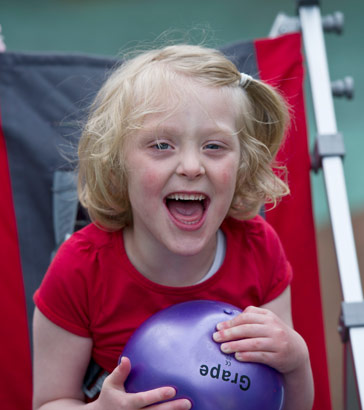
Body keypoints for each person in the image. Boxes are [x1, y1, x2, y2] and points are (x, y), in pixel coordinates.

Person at [32, 44, 314, 410]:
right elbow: (50, 402)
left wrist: (296, 363)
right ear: (118, 164)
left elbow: (290, 405)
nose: (192, 166)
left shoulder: (260, 250)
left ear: (243, 164)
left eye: (214, 146)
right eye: (162, 145)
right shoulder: (80, 269)